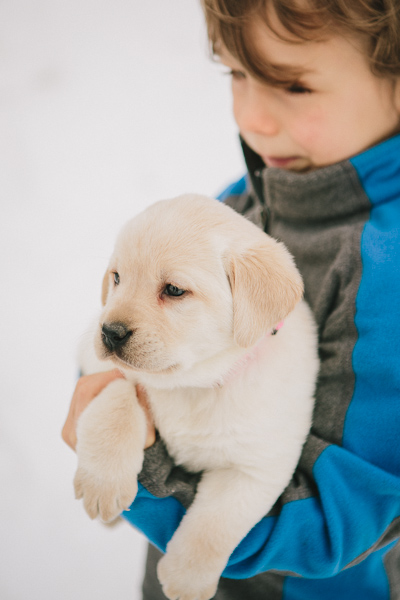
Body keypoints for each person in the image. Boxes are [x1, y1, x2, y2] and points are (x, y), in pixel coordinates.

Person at [62, 0, 400, 598]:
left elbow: (330, 521)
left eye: (293, 85)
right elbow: (124, 358)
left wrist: (144, 478)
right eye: (237, 74)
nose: (253, 118)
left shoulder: (386, 274)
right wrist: (111, 414)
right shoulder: (250, 198)